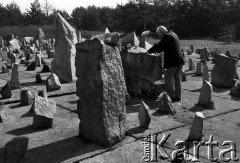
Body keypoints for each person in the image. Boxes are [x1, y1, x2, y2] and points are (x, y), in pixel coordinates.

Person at [148, 26, 184, 102]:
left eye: (158, 34)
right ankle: (178, 96)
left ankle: (173, 96)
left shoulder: (166, 36)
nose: (159, 36)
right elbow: (164, 46)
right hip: (179, 60)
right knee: (177, 78)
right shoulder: (173, 34)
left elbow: (159, 47)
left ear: (161, 32)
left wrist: (148, 51)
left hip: (172, 61)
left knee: (167, 79)